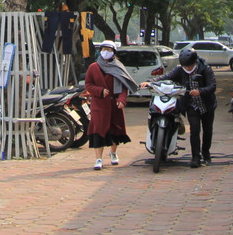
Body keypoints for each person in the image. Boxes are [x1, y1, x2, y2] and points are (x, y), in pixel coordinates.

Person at [142, 47, 217, 167]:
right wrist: (150, 82)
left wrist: (200, 91)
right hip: (191, 104)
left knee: (207, 130)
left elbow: (212, 86)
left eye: (190, 66)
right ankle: (195, 157)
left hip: (206, 104)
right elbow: (165, 77)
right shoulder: (180, 70)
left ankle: (206, 154)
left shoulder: (205, 69)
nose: (187, 69)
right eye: (185, 66)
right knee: (194, 130)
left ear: (195, 63)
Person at [84, 40, 138, 170]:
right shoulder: (93, 67)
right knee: (98, 131)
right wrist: (99, 91)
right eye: (103, 49)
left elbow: (124, 87)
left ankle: (113, 153)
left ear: (113, 52)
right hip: (99, 105)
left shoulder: (118, 67)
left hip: (114, 105)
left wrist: (122, 99)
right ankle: (98, 159)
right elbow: (88, 85)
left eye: (108, 50)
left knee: (114, 130)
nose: (105, 52)